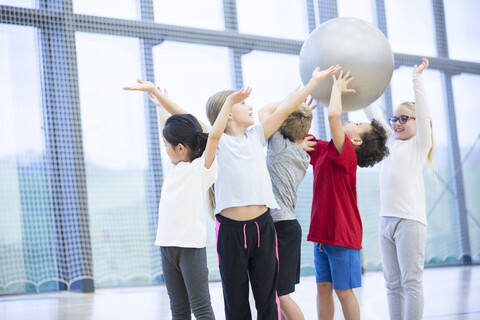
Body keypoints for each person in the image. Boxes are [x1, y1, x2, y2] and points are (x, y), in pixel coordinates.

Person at [205, 65, 340, 320]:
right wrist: (230, 101)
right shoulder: (217, 143)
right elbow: (213, 135)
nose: (250, 107)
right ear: (229, 113)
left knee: (268, 300)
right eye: (243, 104)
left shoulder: (257, 135)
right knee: (235, 302)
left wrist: (312, 83)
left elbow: (286, 109)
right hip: (231, 232)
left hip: (263, 227)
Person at [123, 81, 252, 320]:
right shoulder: (176, 166)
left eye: (166, 146)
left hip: (190, 247)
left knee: (201, 308)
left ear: (181, 148)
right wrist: (159, 99)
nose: (165, 149)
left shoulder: (202, 168)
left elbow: (213, 136)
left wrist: (230, 103)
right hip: (166, 245)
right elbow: (167, 127)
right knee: (178, 309)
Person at [304, 71, 389, 320]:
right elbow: (301, 138)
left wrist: (337, 89)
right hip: (321, 235)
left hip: (342, 235)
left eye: (359, 125)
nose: (352, 121)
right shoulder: (323, 150)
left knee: (344, 292)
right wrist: (302, 114)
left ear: (356, 142)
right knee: (323, 288)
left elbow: (333, 115)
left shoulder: (347, 156)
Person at [363, 57, 434, 320]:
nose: (397, 123)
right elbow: (373, 114)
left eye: (405, 118)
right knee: (392, 285)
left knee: (411, 282)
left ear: (417, 123)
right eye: (396, 118)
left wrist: (417, 80)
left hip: (410, 222)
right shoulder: (391, 142)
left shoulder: (419, 146)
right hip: (386, 222)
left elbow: (424, 114)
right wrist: (362, 86)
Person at [258, 100, 314, 320]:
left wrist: (293, 100)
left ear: (281, 126)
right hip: (286, 227)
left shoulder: (279, 145)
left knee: (281, 295)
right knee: (275, 294)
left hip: (282, 228)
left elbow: (264, 110)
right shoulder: (301, 154)